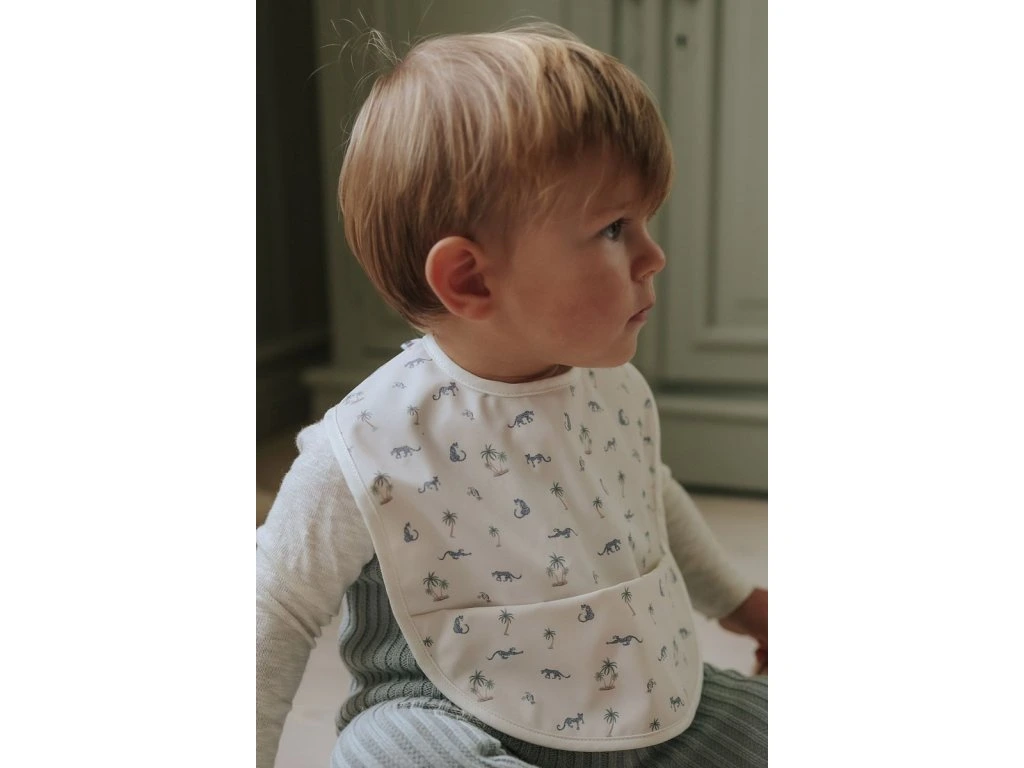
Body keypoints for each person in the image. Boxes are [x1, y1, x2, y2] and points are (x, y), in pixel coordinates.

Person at [256, 23, 768, 768]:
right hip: (457, 712)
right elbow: (273, 608)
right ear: (469, 279)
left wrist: (741, 603)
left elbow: (648, 495)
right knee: (390, 754)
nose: (654, 256)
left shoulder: (610, 389)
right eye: (614, 228)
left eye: (645, 222)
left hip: (643, 698)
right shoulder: (366, 444)